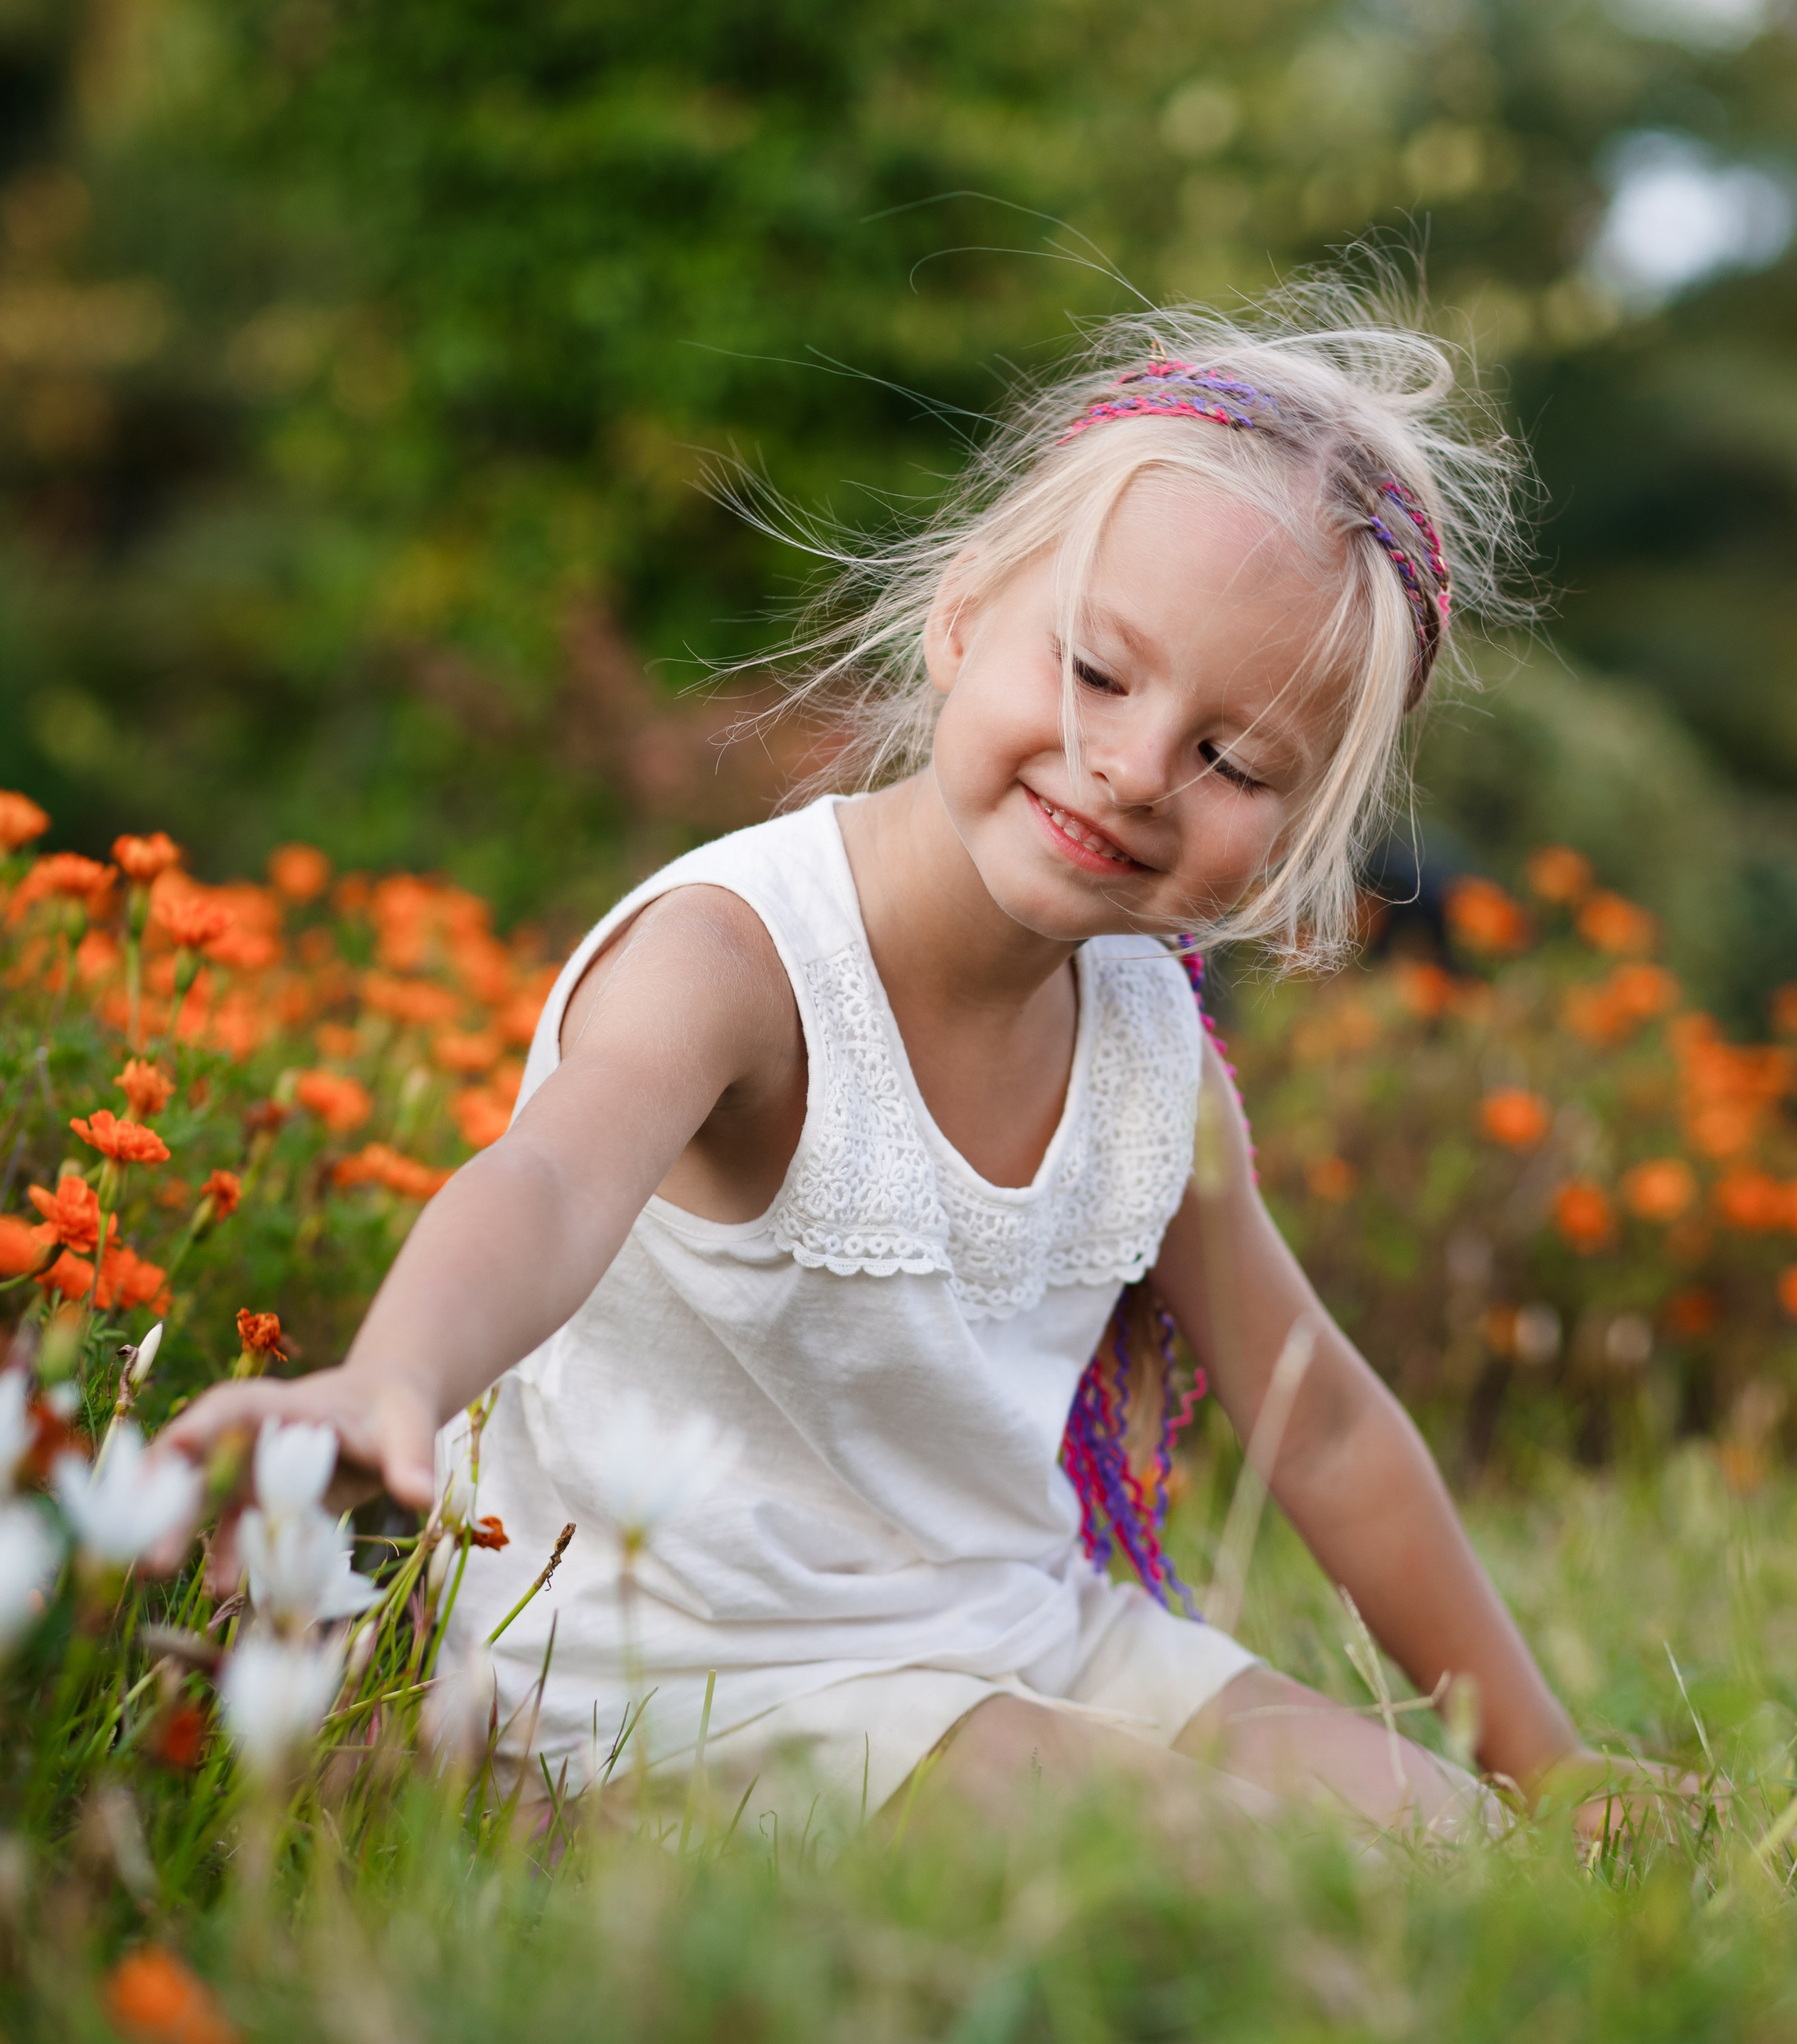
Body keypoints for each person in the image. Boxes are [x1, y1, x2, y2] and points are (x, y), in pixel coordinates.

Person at [161, 302, 1608, 1840]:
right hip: (688, 1677)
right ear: (964, 617)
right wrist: (391, 1375)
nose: (1131, 764)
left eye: (1233, 763)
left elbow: (1315, 1421)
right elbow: (547, 1181)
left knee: (1444, 1844)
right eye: (1096, 672)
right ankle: (526, 1816)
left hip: (1021, 1630)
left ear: (1303, 830)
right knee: (1216, 1862)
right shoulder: (740, 960)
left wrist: (1557, 1771)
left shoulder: (1147, 1045)